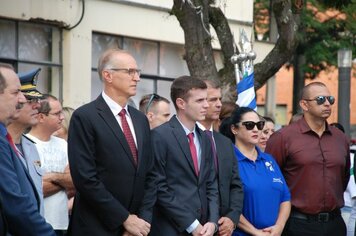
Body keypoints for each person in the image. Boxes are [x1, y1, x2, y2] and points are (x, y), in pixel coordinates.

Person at [67, 49, 154, 236]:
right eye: (130, 71)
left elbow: (150, 174)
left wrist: (141, 221)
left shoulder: (140, 120)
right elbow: (85, 179)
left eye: (137, 72)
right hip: (96, 226)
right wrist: (124, 219)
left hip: (137, 228)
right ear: (108, 75)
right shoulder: (85, 117)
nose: (137, 78)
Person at [266, 82, 350, 236]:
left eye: (330, 99)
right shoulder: (283, 138)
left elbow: (342, 179)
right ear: (304, 104)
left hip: (335, 224)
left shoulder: (341, 138)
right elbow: (270, 182)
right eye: (320, 99)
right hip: (297, 224)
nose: (327, 103)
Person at [149, 75, 219, 236]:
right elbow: (159, 187)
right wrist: (191, 224)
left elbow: (211, 183)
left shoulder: (206, 138)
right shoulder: (160, 136)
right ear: (181, 103)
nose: (206, 105)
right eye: (200, 101)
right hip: (170, 227)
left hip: (204, 228)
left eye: (206, 100)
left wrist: (213, 221)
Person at [0, 63, 55, 235]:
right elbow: (16, 205)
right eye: (16, 93)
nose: (23, 100)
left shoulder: (29, 146)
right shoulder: (2, 143)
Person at [220, 107, 291, 236]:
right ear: (234, 129)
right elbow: (226, 205)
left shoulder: (268, 159)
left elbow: (285, 198)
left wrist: (279, 227)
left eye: (259, 125)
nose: (256, 129)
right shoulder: (227, 160)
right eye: (249, 125)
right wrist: (256, 232)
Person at [197, 79, 244, 236]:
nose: (219, 104)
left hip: (223, 228)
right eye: (212, 100)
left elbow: (236, 185)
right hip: (193, 227)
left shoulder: (224, 142)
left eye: (219, 100)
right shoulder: (184, 138)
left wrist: (232, 218)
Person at [27, 94, 75, 235]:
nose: (62, 117)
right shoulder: (27, 144)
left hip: (62, 224)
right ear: (41, 117)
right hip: (38, 224)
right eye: (57, 113)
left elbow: (75, 181)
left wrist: (51, 177)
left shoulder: (63, 145)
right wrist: (63, 179)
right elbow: (34, 188)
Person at [7, 68, 45, 216]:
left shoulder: (31, 147)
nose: (38, 106)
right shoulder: (3, 145)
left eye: (38, 100)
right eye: (31, 100)